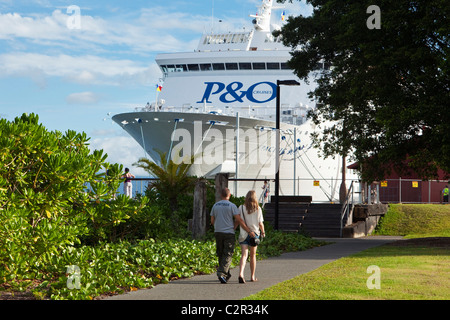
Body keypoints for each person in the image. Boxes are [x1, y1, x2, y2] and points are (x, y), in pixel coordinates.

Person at [210, 188, 250, 284]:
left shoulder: (215, 205)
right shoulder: (232, 206)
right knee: (228, 253)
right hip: (229, 232)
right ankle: (222, 273)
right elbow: (238, 219)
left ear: (221, 195)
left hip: (218, 232)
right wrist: (248, 230)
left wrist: (217, 225)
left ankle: (226, 274)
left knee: (220, 252)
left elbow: (212, 221)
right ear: (230, 195)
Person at [237, 190, 265, 284]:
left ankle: (241, 274)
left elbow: (238, 220)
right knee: (253, 255)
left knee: (244, 255)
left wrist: (233, 228)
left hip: (243, 234)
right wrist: (263, 232)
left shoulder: (241, 208)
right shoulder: (258, 209)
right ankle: (252, 276)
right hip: (254, 235)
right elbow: (260, 223)